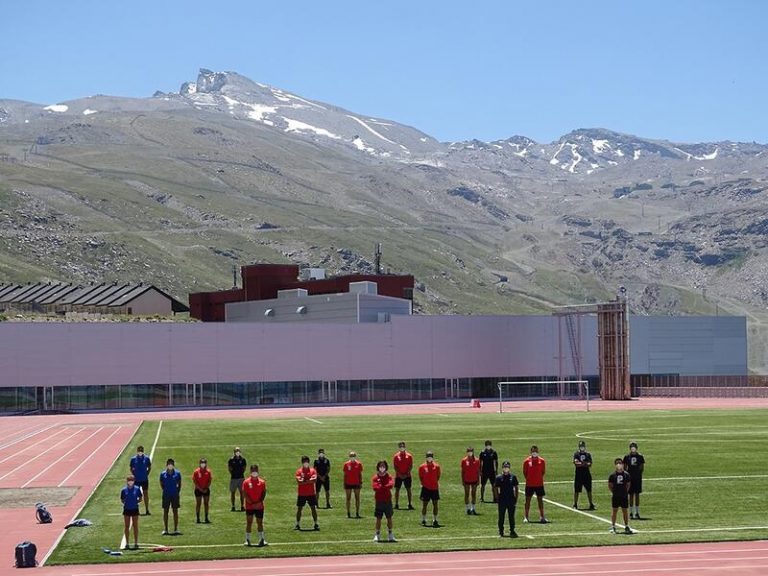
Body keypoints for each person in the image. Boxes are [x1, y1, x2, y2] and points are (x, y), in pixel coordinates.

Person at [371, 460, 397, 542]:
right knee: (378, 518)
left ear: (386, 467)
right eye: (380, 466)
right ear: (378, 467)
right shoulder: (375, 477)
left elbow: (391, 485)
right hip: (379, 501)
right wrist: (384, 487)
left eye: (383, 466)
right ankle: (377, 535)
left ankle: (390, 534)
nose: (382, 467)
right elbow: (375, 488)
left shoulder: (389, 476)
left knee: (389, 518)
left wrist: (382, 487)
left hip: (387, 501)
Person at [242, 464, 267, 546]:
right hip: (250, 506)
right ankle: (247, 539)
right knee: (249, 522)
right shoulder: (246, 482)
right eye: (253, 470)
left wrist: (259, 502)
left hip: (259, 506)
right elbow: (245, 494)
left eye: (255, 470)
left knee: (260, 522)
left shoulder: (262, 482)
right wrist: (252, 504)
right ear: (250, 471)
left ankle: (262, 539)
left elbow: (263, 493)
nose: (254, 472)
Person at [522, 445, 548, 524]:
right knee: (527, 500)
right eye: (533, 451)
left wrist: (538, 478)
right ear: (531, 452)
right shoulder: (526, 461)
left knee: (540, 501)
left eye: (536, 451)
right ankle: (526, 517)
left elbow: (543, 472)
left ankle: (542, 516)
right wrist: (529, 478)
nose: (534, 452)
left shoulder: (542, 461)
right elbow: (525, 472)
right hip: (529, 484)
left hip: (539, 484)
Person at [494, 460, 519, 537]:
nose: (506, 468)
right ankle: (501, 531)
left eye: (507, 467)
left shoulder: (513, 477)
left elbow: (516, 488)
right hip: (502, 499)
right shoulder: (499, 477)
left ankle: (512, 530)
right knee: (501, 516)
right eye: (505, 467)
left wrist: (516, 498)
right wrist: (497, 498)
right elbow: (496, 488)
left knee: (511, 516)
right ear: (502, 467)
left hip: (511, 499)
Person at [608, 458, 633, 534]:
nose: (619, 464)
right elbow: (610, 485)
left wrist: (625, 492)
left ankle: (626, 526)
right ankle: (613, 526)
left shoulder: (626, 474)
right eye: (617, 463)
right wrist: (614, 492)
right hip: (616, 496)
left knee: (625, 511)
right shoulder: (612, 475)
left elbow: (628, 484)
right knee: (614, 511)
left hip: (624, 496)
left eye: (620, 463)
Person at [295, 455, 319, 530]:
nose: (306, 462)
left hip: (311, 493)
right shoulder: (299, 471)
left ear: (309, 462)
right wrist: (308, 481)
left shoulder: (313, 470)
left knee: (313, 508)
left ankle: (316, 523)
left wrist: (304, 481)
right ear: (302, 462)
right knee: (299, 509)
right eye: (304, 461)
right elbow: (299, 481)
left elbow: (314, 480)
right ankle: (297, 524)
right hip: (302, 494)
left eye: (307, 461)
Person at [418, 450, 441, 527]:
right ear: (426, 457)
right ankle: (423, 519)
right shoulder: (422, 467)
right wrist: (425, 483)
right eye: (428, 456)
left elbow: (438, 476)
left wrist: (434, 482)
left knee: (435, 504)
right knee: (424, 505)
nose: (429, 457)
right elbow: (421, 477)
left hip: (434, 488)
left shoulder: (437, 466)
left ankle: (435, 519)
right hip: (426, 488)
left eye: (431, 456)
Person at [159, 458, 182, 535]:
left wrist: (177, 491)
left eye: (171, 464)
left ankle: (176, 529)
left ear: (173, 465)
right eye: (169, 464)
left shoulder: (177, 473)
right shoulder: (162, 474)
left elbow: (179, 484)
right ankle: (166, 529)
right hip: (166, 495)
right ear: (166, 465)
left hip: (175, 495)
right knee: (165, 511)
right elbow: (161, 483)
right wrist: (165, 490)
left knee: (175, 511)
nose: (170, 465)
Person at [623, 442, 645, 519]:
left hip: (637, 478)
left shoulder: (640, 456)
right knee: (631, 495)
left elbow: (642, 467)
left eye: (634, 446)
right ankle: (631, 512)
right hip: (630, 478)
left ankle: (637, 512)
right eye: (632, 447)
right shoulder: (627, 457)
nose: (633, 448)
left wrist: (638, 474)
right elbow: (625, 467)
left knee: (637, 494)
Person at [120, 474, 142, 549]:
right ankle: (127, 543)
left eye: (132, 480)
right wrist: (127, 503)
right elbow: (122, 499)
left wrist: (136, 502)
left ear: (134, 481)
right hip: (127, 509)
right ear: (127, 481)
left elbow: (140, 498)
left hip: (135, 509)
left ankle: (136, 543)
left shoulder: (137, 489)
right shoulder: (123, 490)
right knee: (126, 526)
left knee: (135, 526)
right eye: (129, 480)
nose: (130, 482)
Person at [573, 440, 595, 510]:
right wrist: (584, 463)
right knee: (577, 490)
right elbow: (576, 463)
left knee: (589, 490)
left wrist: (582, 463)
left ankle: (591, 504)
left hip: (586, 475)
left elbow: (590, 464)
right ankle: (575, 504)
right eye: (581, 446)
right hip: (578, 475)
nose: (582, 447)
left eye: (583, 446)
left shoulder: (588, 454)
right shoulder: (576, 454)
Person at [129, 445, 151, 515]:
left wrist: (147, 473)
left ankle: (147, 510)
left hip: (144, 479)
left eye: (141, 451)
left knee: (145, 494)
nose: (140, 452)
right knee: (136, 495)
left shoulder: (147, 458)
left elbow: (149, 467)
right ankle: (136, 510)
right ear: (137, 451)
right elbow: (131, 468)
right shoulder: (133, 459)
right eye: (139, 451)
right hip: (137, 480)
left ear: (143, 451)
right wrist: (134, 475)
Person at [393, 441, 414, 510]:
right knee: (397, 490)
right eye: (400, 446)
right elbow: (395, 467)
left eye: (403, 446)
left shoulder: (409, 456)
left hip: (407, 476)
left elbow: (410, 466)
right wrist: (400, 474)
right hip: (398, 476)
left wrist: (406, 474)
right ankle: (396, 504)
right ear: (399, 447)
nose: (402, 447)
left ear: (405, 447)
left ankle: (410, 504)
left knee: (408, 489)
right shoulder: (396, 456)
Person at [343, 450, 363, 519]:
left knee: (357, 498)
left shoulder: (359, 464)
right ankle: (348, 513)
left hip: (356, 483)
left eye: (353, 456)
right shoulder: (346, 464)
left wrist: (360, 482)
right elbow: (345, 474)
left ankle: (357, 513)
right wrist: (344, 483)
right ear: (349, 456)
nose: (352, 457)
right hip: (348, 483)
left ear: (355, 456)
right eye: (351, 456)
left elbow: (360, 474)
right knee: (348, 498)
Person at [461, 446, 480, 515]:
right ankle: (467, 508)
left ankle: (473, 508)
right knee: (466, 494)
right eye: (468, 451)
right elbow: (462, 471)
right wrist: (462, 480)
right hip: (466, 479)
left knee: (473, 494)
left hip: (474, 479)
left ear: (473, 452)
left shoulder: (477, 460)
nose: (470, 453)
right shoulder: (464, 460)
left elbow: (478, 471)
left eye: (471, 451)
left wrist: (478, 479)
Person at [192, 458, 212, 524]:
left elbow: (209, 481)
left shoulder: (208, 472)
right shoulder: (196, 472)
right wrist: (200, 489)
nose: (203, 464)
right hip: (198, 490)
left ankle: (206, 518)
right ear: (199, 463)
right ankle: (198, 518)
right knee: (198, 504)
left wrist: (206, 488)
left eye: (204, 462)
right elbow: (195, 481)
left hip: (206, 489)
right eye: (202, 462)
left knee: (206, 504)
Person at [228, 447, 247, 512]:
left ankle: (242, 506)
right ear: (234, 452)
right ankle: (233, 506)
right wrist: (233, 474)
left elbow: (244, 468)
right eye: (236, 451)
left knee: (242, 493)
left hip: (241, 478)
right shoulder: (231, 460)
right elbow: (229, 468)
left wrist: (240, 473)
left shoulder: (243, 460)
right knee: (233, 492)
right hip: (233, 478)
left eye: (238, 451)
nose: (237, 452)